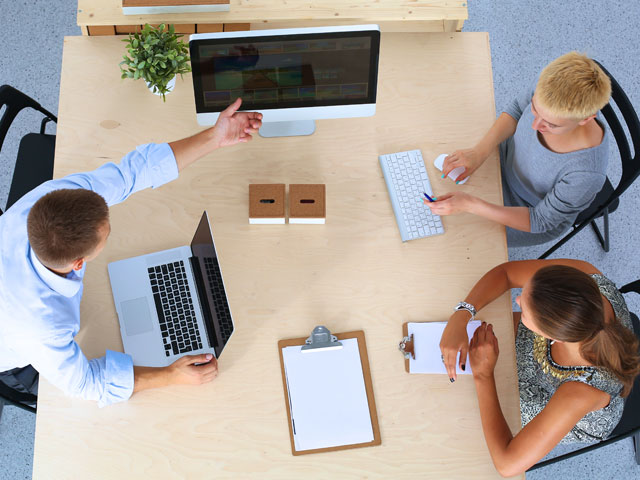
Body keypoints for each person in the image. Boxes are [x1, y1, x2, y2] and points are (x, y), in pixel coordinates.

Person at [0, 98, 262, 407]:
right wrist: (172, 375)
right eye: (107, 232)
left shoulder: (44, 202)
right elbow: (87, 384)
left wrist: (215, 137)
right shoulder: (43, 327)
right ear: (78, 263)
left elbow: (129, 174)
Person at [439, 259, 640, 476]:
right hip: (549, 367)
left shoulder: (580, 392)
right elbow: (506, 274)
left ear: (552, 337)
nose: (516, 299)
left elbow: (506, 464)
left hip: (563, 404)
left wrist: (483, 374)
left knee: (459, 417)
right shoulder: (585, 278)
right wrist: (462, 314)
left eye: (524, 311)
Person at [426, 52, 611, 246]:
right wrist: (479, 153)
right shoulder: (549, 86)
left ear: (586, 119)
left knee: (452, 238)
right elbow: (516, 109)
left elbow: (541, 220)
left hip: (528, 210)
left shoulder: (586, 174)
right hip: (505, 158)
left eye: (550, 125)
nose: (534, 125)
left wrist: (470, 204)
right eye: (534, 110)